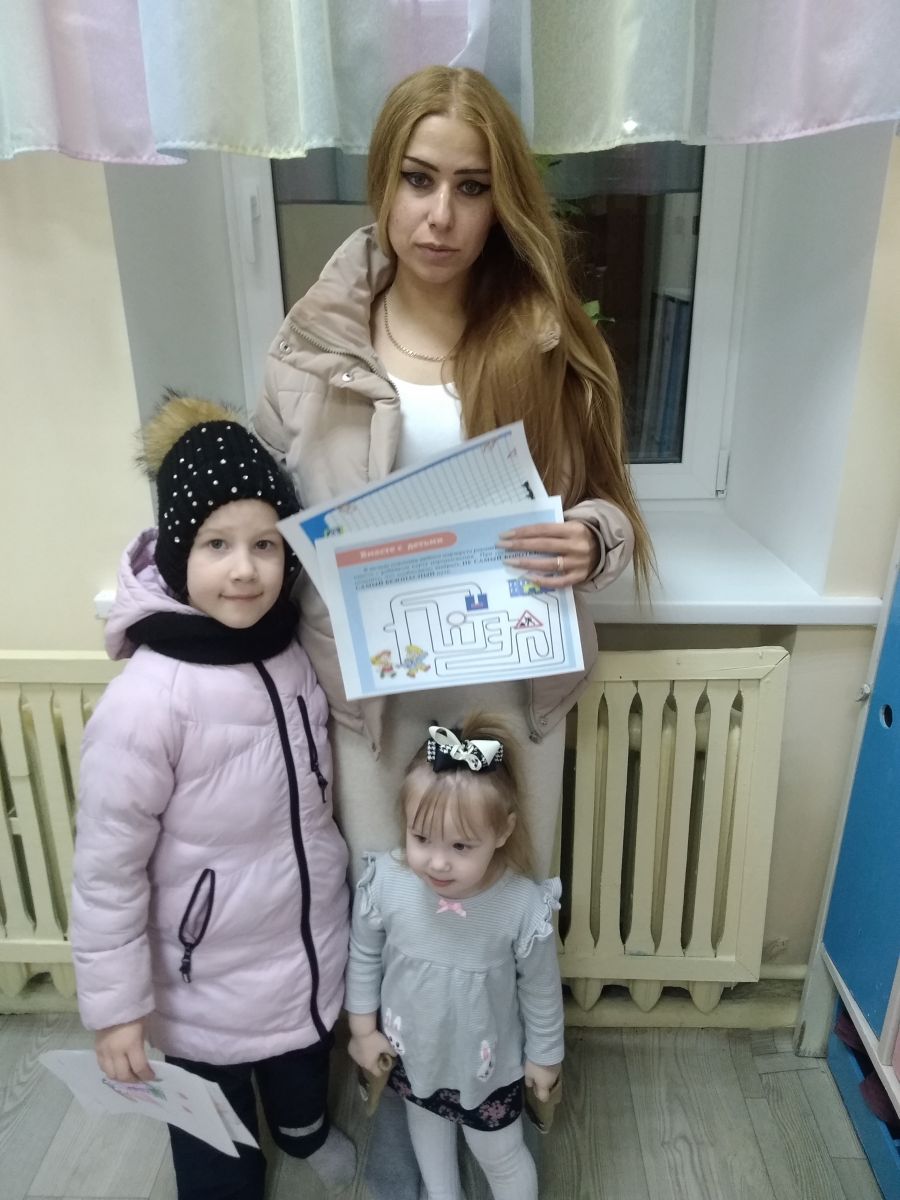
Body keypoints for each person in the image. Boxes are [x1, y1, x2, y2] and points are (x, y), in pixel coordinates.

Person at [254, 63, 652, 1196]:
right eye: (418, 179)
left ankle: (501, 1105)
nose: (440, 215)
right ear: (381, 183)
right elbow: (271, 526)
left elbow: (610, 506)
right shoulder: (310, 347)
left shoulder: (542, 336)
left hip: (508, 693)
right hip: (374, 705)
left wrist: (590, 540)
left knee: (496, 911)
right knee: (396, 915)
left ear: (501, 198)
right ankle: (404, 1112)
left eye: (471, 187)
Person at [70, 393, 355, 1200]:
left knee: (302, 1063)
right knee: (214, 1140)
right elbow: (106, 874)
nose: (244, 569)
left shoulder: (292, 650)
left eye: (265, 544)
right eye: (217, 544)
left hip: (301, 948)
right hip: (200, 981)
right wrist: (117, 1010)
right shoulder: (145, 701)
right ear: (176, 554)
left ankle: (302, 1131)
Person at [345, 715, 563, 1200]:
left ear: (502, 832)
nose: (438, 862)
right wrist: (361, 1029)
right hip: (412, 1052)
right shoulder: (387, 883)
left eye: (461, 846)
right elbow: (363, 955)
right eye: (421, 838)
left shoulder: (521, 906)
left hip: (489, 1068)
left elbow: (541, 991)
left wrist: (545, 1057)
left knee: (500, 1155)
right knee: (427, 1133)